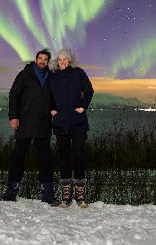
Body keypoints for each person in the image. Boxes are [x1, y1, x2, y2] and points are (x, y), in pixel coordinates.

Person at [0, 49, 59, 206]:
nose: (42, 61)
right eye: (40, 58)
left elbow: (57, 95)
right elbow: (14, 95)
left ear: (48, 61)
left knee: (45, 160)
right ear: (36, 59)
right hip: (25, 122)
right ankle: (11, 192)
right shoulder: (25, 74)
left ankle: (47, 194)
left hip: (43, 124)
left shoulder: (52, 76)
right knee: (18, 158)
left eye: (45, 59)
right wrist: (13, 116)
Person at [49, 47, 94, 208]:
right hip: (61, 122)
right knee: (64, 157)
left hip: (78, 122)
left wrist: (83, 106)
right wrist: (52, 109)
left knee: (79, 155)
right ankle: (66, 196)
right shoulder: (53, 76)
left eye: (65, 59)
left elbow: (89, 90)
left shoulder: (78, 73)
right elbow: (48, 95)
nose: (62, 62)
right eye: (60, 59)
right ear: (57, 60)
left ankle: (80, 196)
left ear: (70, 60)